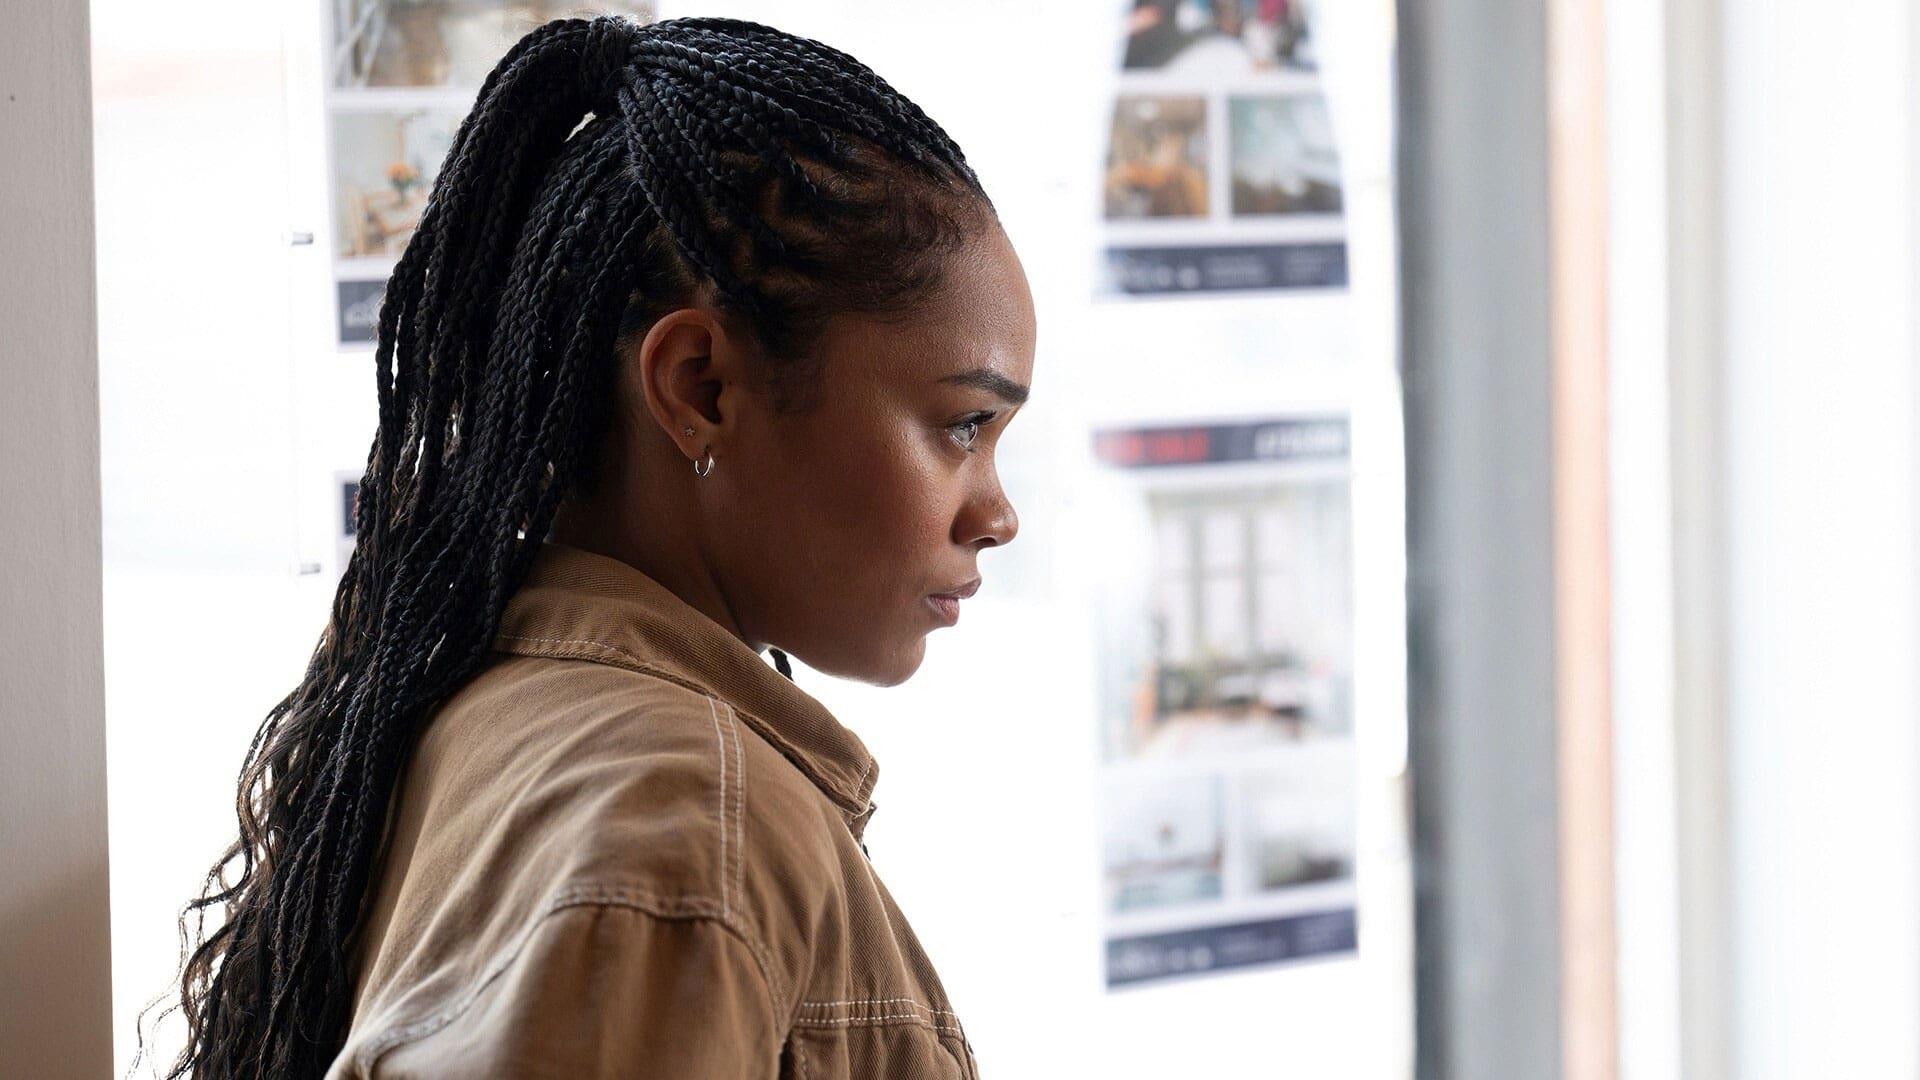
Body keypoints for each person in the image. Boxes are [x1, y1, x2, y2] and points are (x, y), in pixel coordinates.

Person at [141, 13, 1036, 1079]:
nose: (997, 515)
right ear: (700, 388)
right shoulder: (681, 835)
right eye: (964, 426)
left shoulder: (494, 707)